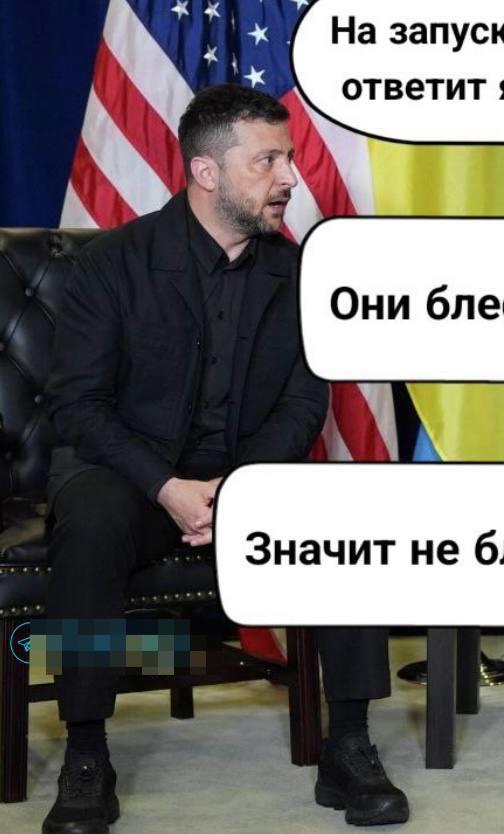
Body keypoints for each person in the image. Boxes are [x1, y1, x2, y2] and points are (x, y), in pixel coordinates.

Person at [41, 84, 408, 833]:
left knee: (348, 514)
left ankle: (349, 744)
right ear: (206, 172)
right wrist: (167, 486)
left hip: (249, 476)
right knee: (89, 520)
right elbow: (78, 405)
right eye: (267, 160)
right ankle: (86, 753)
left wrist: (236, 489)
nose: (289, 177)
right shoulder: (113, 263)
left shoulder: (299, 274)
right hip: (132, 478)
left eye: (289, 158)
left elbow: (304, 404)